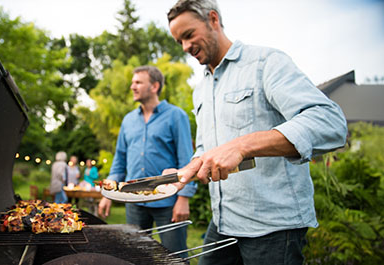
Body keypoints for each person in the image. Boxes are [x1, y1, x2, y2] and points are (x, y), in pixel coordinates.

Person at [166, 1, 348, 264]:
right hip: (223, 221)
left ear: (213, 20)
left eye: (189, 35)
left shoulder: (265, 63)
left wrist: (243, 145)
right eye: (178, 41)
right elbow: (208, 149)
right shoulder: (200, 89)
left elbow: (329, 122)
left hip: (273, 228)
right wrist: (186, 171)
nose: (185, 47)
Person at [97, 65, 197, 258]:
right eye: (132, 82)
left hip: (167, 200)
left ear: (154, 86)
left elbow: (186, 160)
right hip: (133, 200)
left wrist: (184, 198)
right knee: (134, 255)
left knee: (175, 257)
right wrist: (107, 193)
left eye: (138, 82)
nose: (132, 86)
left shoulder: (176, 116)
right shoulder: (128, 120)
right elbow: (119, 161)